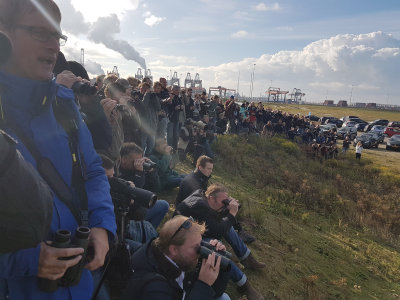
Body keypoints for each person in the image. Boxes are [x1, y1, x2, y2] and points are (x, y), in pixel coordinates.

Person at [0, 1, 116, 298]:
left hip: (79, 279)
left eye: (58, 37)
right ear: (3, 33)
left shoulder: (63, 105)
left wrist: (102, 225)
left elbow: (92, 168)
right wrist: (24, 261)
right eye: (40, 33)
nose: (55, 47)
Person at [175, 184, 265, 300]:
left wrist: (226, 209)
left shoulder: (205, 197)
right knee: (217, 249)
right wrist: (231, 214)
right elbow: (216, 231)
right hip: (181, 238)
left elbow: (212, 221)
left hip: (196, 230)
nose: (225, 203)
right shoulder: (199, 206)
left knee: (228, 227)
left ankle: (247, 258)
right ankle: (244, 284)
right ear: (212, 198)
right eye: (224, 201)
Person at [123, 216, 230, 300]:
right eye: (196, 247)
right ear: (174, 249)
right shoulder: (155, 287)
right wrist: (203, 285)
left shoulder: (178, 259)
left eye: (201, 244)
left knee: (223, 297)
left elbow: (217, 292)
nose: (199, 252)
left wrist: (219, 261)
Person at [119, 142, 169, 229]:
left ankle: (147, 232)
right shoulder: (118, 173)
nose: (139, 163)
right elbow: (134, 196)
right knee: (163, 205)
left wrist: (152, 172)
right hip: (130, 212)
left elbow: (157, 188)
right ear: (123, 159)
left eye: (140, 160)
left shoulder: (138, 170)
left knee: (164, 204)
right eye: (136, 160)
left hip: (141, 206)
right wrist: (139, 174)